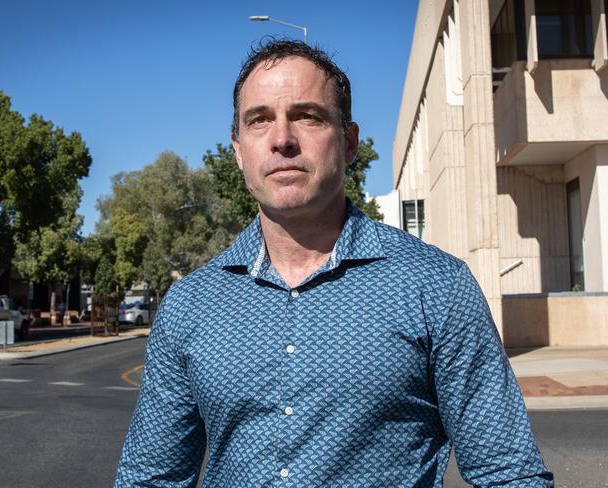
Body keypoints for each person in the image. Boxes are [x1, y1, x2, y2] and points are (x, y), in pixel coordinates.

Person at [115, 39, 553, 487]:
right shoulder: (192, 304)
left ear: (349, 143)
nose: (282, 139)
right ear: (238, 152)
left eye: (307, 116)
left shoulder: (435, 286)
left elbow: (509, 474)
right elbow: (151, 478)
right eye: (259, 120)